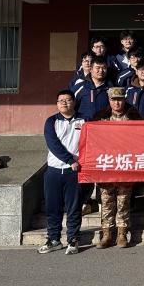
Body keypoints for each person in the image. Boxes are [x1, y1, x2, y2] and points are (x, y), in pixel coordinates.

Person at [40, 90, 85, 255]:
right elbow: (53, 144)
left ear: (74, 102)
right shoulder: (51, 121)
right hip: (53, 170)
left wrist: (78, 162)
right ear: (57, 104)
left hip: (75, 171)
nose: (64, 103)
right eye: (61, 101)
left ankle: (73, 240)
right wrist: (69, 160)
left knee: (74, 207)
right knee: (53, 208)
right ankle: (54, 239)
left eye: (67, 100)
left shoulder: (84, 120)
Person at [96, 88, 140, 249]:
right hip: (106, 164)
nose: (117, 103)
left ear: (124, 99)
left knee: (123, 200)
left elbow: (141, 138)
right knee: (106, 199)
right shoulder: (101, 117)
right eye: (113, 100)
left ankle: (122, 233)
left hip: (125, 164)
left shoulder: (133, 116)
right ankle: (107, 233)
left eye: (120, 99)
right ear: (109, 100)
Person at [75, 56, 112, 121]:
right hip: (84, 124)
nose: (101, 71)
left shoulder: (111, 88)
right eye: (97, 68)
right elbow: (72, 105)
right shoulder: (80, 87)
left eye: (104, 68)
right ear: (91, 69)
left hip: (103, 124)